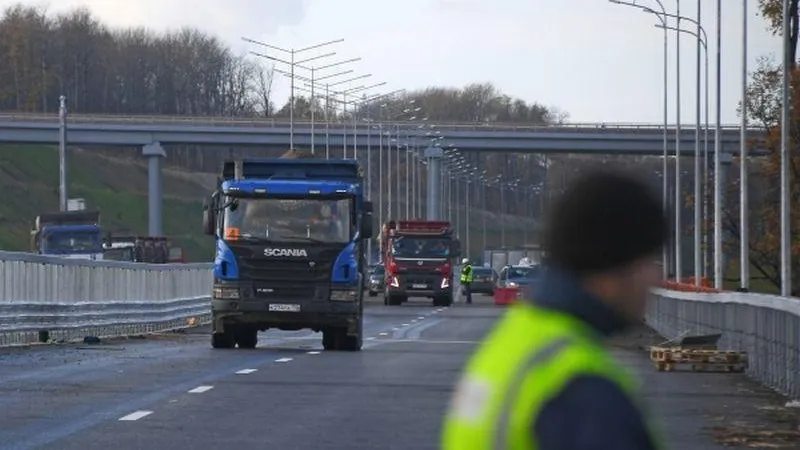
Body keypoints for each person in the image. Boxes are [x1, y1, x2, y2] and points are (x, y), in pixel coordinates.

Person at [441, 170, 667, 450]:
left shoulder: (515, 343)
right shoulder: (584, 391)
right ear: (613, 265)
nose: (656, 278)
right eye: (649, 260)